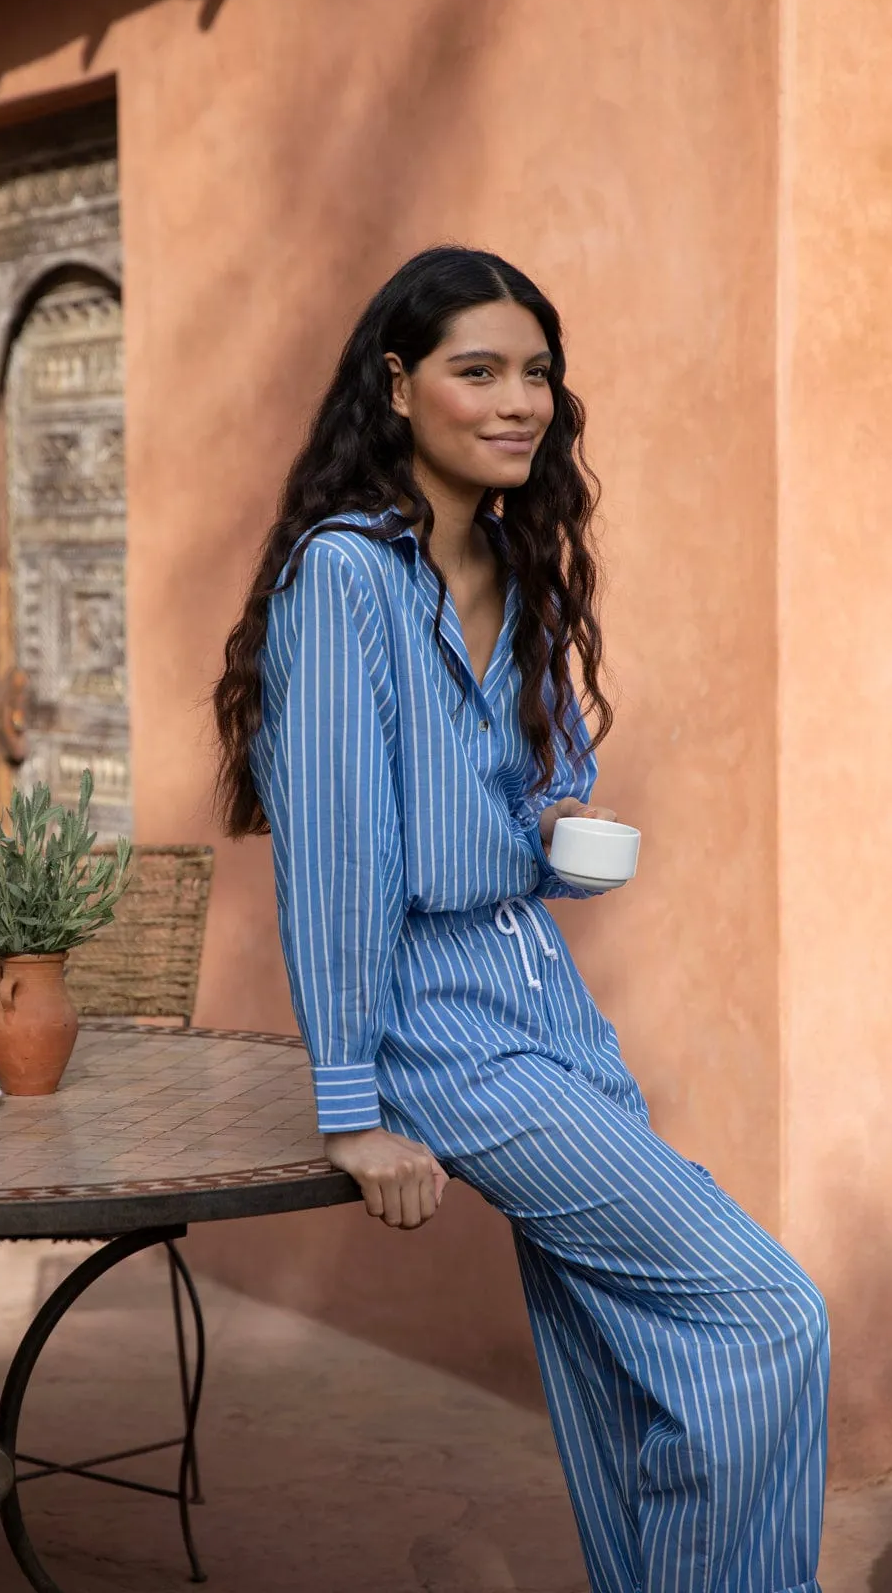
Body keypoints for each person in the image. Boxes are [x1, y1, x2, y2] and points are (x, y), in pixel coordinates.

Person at [213, 246, 829, 1593]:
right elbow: (334, 859)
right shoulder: (346, 579)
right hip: (441, 1029)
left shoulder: (518, 560)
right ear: (395, 388)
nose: (518, 400)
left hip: (547, 1000)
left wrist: (555, 838)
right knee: (764, 1313)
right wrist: (353, 1103)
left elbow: (532, 803)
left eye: (536, 371)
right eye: (475, 369)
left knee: (625, 1350)